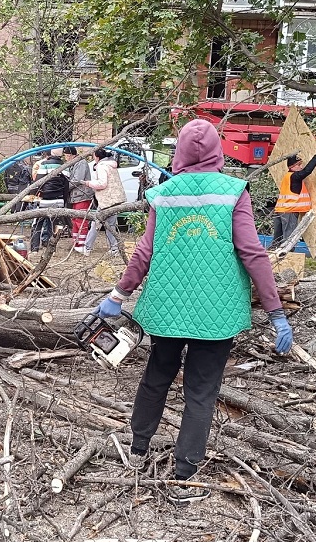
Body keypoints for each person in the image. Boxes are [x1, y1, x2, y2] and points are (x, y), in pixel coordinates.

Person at [94, 118, 293, 503]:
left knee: (156, 377)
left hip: (167, 310)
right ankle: (184, 475)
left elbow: (144, 252)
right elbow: (252, 252)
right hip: (217, 312)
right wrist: (276, 311)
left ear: (180, 152)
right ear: (218, 150)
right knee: (201, 392)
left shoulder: (164, 194)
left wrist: (119, 294)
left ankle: (137, 450)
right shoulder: (233, 192)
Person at [82, 147, 126, 255]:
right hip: (115, 198)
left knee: (96, 223)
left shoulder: (101, 167)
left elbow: (102, 183)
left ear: (96, 157)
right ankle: (114, 248)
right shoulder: (111, 166)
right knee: (110, 224)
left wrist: (88, 183)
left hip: (106, 200)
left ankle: (87, 247)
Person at [273, 153, 316, 244]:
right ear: (292, 167)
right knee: (289, 239)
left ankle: (272, 255)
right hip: (289, 211)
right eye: (298, 165)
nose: (301, 167)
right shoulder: (295, 177)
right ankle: (288, 256)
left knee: (277, 240)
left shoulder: (287, 176)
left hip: (280, 210)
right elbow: (307, 171)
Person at [29, 148, 69, 252]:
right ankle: (51, 248)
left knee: (37, 224)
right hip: (59, 200)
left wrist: (33, 196)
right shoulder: (65, 166)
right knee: (54, 225)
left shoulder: (45, 164)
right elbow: (66, 186)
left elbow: (38, 182)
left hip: (44, 199)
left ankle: (34, 248)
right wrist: (64, 201)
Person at [63, 145, 95, 253]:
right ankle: (76, 243)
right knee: (75, 220)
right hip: (75, 196)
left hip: (82, 195)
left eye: (67, 155)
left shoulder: (81, 163)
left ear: (71, 155)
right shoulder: (73, 164)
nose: (66, 158)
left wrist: (65, 187)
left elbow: (77, 179)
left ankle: (82, 244)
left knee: (81, 220)